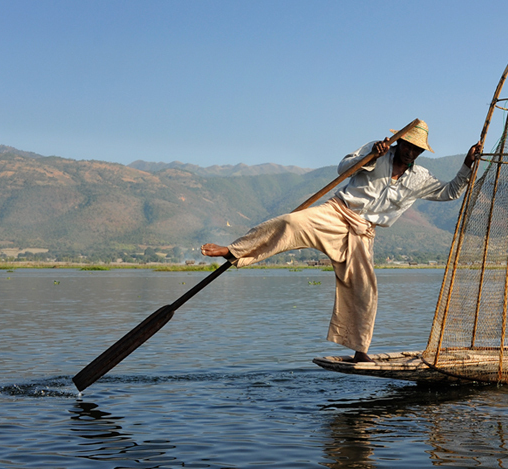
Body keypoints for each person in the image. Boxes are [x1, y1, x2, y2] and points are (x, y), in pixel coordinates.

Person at [201, 120, 481, 363]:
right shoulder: (378, 149)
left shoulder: (419, 178)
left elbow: (451, 191)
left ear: (420, 152)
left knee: (365, 290)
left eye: (416, 149)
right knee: (290, 222)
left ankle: (360, 349)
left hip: (363, 231)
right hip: (337, 213)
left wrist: (468, 165)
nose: (410, 151)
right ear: (401, 142)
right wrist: (371, 156)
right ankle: (235, 250)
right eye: (407, 145)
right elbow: (343, 168)